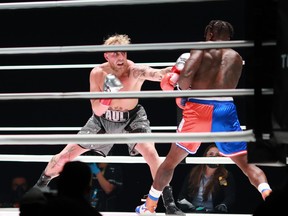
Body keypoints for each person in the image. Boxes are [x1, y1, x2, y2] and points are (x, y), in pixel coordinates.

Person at [34, 33, 183, 215]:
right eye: (115, 54)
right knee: (63, 157)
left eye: (123, 53)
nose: (120, 57)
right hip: (102, 121)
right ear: (106, 55)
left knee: (152, 154)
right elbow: (97, 110)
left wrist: (175, 71)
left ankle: (170, 205)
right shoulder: (97, 73)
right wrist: (108, 95)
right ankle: (35, 195)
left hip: (132, 118)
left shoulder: (134, 70)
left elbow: (155, 73)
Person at [136, 20, 272, 215]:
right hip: (226, 109)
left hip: (199, 108)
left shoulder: (200, 50)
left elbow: (184, 81)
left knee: (170, 162)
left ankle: (149, 206)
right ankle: (269, 195)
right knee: (246, 164)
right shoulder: (237, 57)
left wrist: (183, 92)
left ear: (209, 34)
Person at [176, 144, 236, 213]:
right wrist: (183, 203)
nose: (214, 157)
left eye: (217, 155)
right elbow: (182, 194)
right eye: (211, 154)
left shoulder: (224, 175)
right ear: (205, 156)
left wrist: (223, 205)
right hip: (193, 211)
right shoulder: (194, 172)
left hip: (213, 213)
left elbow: (230, 196)